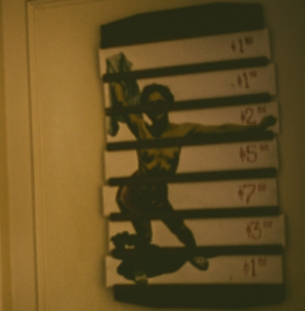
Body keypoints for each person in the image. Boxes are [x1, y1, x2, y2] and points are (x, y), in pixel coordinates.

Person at [107, 52, 277, 280]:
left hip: (157, 195)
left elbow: (220, 130)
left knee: (181, 229)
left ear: (168, 105)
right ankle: (138, 266)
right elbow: (122, 102)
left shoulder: (182, 131)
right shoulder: (141, 129)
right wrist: (115, 73)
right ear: (145, 108)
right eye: (150, 104)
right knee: (145, 236)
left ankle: (193, 253)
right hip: (133, 194)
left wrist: (254, 128)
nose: (155, 107)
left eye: (160, 103)